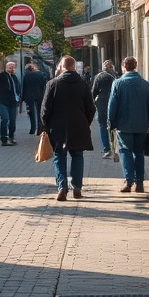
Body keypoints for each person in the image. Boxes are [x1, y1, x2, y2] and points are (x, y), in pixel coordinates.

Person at [39, 55, 96, 201]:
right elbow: (91, 108)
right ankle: (77, 188)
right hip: (79, 125)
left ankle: (62, 187)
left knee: (59, 155)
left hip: (57, 126)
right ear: (74, 66)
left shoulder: (52, 84)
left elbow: (45, 108)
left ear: (61, 66)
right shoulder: (83, 84)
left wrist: (46, 125)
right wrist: (85, 122)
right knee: (77, 155)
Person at [107, 55, 149, 193]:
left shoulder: (117, 84)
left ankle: (129, 181)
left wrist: (111, 122)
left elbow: (112, 105)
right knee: (139, 152)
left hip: (123, 125)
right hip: (141, 124)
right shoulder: (145, 84)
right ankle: (140, 182)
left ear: (124, 67)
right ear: (135, 67)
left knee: (125, 151)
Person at [91, 59, 117, 158]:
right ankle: (114, 147)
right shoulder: (115, 77)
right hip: (113, 102)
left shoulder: (99, 77)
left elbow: (93, 91)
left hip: (102, 103)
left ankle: (106, 148)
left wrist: (92, 103)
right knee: (113, 125)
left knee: (103, 125)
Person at [0, 61, 21, 145]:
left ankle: (11, 137)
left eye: (13, 67)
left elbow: (17, 88)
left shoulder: (14, 77)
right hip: (2, 102)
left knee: (13, 121)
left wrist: (18, 97)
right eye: (10, 67)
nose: (11, 68)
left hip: (13, 102)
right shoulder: (2, 76)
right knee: (5, 118)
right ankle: (4, 139)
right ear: (6, 67)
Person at [21, 62, 48, 135]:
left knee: (31, 112)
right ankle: (40, 128)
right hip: (40, 95)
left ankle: (32, 128)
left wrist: (22, 98)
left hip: (29, 96)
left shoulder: (26, 75)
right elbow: (44, 86)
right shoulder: (41, 74)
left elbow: (24, 87)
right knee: (40, 112)